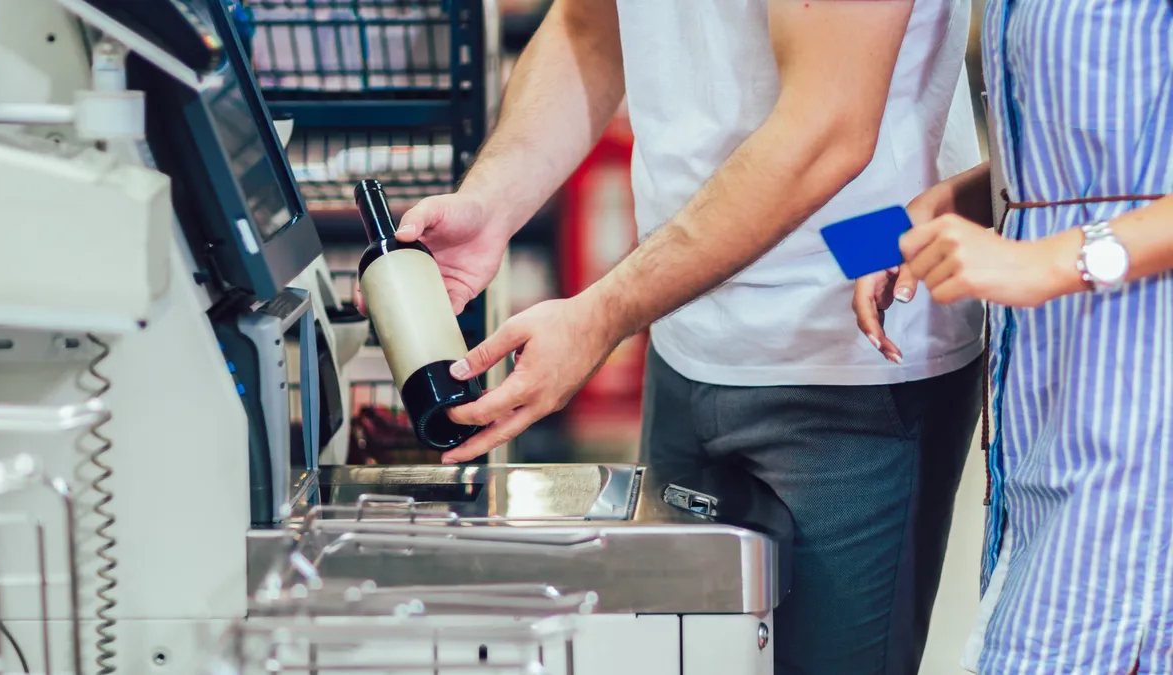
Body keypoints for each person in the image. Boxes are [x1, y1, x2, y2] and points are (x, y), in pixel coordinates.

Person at [360, 1, 985, 672]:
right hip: (686, 333)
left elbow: (828, 129)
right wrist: (494, 201)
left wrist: (602, 315)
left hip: (845, 362)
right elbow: (590, 27)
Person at [860, 2, 1173, 673]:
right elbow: (1075, 156)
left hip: (1142, 421)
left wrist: (1047, 261)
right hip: (1045, 420)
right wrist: (939, 207)